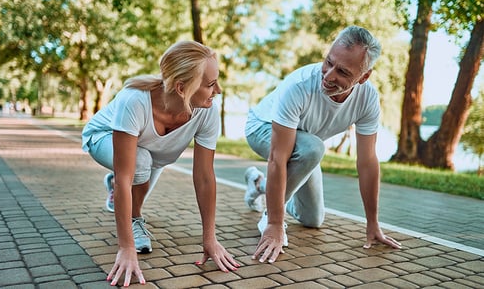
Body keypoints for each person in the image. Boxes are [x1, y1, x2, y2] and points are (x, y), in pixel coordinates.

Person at [82, 41, 240, 287]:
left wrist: (209, 238)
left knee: (142, 164)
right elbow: (126, 178)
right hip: (101, 138)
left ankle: (121, 191)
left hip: (149, 153)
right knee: (138, 166)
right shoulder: (133, 101)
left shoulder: (206, 111)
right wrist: (126, 247)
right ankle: (134, 219)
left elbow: (205, 177)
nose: (218, 90)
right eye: (210, 84)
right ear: (181, 87)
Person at [243, 26, 402, 264]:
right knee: (313, 149)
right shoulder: (299, 86)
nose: (328, 75)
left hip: (306, 143)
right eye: (328, 62)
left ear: (364, 76)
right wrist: (275, 223)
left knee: (313, 219)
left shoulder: (367, 99)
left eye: (343, 72)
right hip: (262, 127)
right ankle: (271, 214)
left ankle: (258, 183)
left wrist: (372, 223)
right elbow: (278, 158)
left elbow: (367, 162)